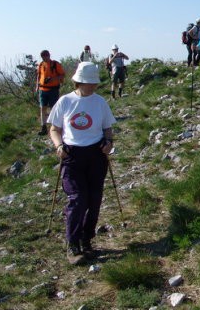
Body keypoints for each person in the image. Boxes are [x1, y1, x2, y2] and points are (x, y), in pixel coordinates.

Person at [48, 61, 116, 265]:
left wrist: (109, 143)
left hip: (96, 155)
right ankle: (73, 243)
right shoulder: (65, 101)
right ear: (78, 82)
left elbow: (107, 128)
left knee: (94, 200)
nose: (92, 86)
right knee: (78, 199)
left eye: (94, 83)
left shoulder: (100, 102)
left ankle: (87, 240)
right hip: (72, 155)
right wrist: (59, 146)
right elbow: (54, 129)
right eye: (88, 82)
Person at [36, 50, 66, 135]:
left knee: (54, 108)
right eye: (43, 56)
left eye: (46, 56)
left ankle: (56, 127)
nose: (44, 58)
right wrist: (37, 86)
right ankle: (43, 127)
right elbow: (39, 75)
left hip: (53, 89)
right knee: (43, 108)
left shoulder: (55, 64)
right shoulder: (40, 65)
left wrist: (53, 79)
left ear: (49, 55)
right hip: (42, 89)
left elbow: (62, 75)